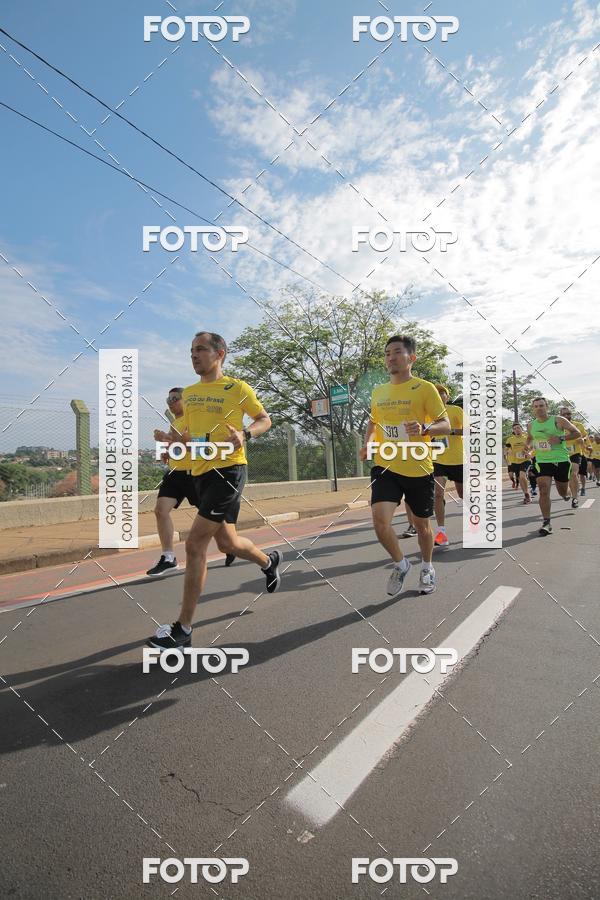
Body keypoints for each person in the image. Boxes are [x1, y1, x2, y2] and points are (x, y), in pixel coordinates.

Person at [147, 331, 282, 650]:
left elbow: (265, 419)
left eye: (201, 349)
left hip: (229, 472)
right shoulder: (190, 394)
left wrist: (246, 434)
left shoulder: (237, 388)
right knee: (228, 543)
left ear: (220, 353)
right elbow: (192, 437)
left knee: (195, 545)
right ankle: (268, 561)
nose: (194, 355)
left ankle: (183, 629)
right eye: (191, 350)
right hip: (200, 473)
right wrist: (173, 446)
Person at [360, 335, 450, 596]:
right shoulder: (379, 391)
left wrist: (425, 428)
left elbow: (443, 424)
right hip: (385, 465)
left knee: (422, 526)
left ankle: (427, 566)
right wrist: (368, 443)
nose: (390, 357)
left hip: (418, 467)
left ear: (411, 358)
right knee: (380, 522)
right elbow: (374, 423)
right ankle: (401, 564)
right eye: (387, 353)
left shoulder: (424, 388)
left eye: (397, 352)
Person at [146, 388, 197, 576]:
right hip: (175, 474)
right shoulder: (175, 422)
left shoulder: (194, 419)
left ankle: (229, 544)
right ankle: (168, 558)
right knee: (160, 510)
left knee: (210, 517)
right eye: (168, 399)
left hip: (195, 474)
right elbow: (176, 449)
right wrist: (166, 450)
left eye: (175, 398)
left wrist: (167, 438)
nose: (170, 402)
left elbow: (193, 446)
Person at [525, 398, 581, 535]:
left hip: (561, 460)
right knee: (543, 490)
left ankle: (567, 494)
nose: (539, 408)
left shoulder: (558, 420)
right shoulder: (531, 425)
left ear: (547, 407)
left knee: (563, 492)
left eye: (541, 406)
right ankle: (546, 522)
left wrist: (560, 439)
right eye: (536, 406)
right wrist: (527, 446)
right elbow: (530, 437)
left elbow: (577, 433)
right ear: (533, 409)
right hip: (542, 461)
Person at [432, 384, 464, 549]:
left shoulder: (455, 411)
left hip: (458, 460)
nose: (439, 394)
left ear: (447, 396)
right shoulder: (427, 413)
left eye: (442, 392)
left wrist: (450, 431)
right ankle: (441, 533)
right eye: (436, 392)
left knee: (463, 494)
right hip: (437, 460)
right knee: (438, 494)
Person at [558, 406, 587, 509]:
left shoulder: (578, 425)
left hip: (575, 453)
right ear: (560, 415)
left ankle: (575, 498)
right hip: (561, 454)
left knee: (573, 473)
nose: (566, 416)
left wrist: (583, 439)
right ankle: (568, 492)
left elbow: (585, 436)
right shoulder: (557, 426)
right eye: (564, 414)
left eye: (568, 414)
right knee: (565, 478)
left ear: (571, 414)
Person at [504, 423, 532, 504]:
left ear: (521, 429)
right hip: (515, 462)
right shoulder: (510, 439)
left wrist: (530, 453)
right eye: (515, 428)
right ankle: (526, 494)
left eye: (518, 428)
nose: (517, 429)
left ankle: (527, 495)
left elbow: (533, 446)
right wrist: (507, 452)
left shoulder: (527, 437)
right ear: (513, 430)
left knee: (522, 476)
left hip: (525, 460)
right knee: (520, 478)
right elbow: (506, 449)